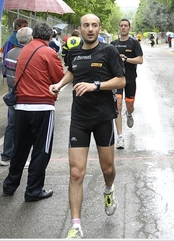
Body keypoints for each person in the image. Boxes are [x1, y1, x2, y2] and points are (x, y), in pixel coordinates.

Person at [49, 14, 125, 239]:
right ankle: (76, 225)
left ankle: (108, 190)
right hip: (80, 119)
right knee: (75, 172)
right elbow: (72, 71)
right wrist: (60, 84)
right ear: (80, 29)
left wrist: (96, 85)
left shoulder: (108, 51)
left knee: (108, 169)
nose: (90, 29)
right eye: (86, 25)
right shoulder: (73, 52)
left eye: (94, 25)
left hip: (103, 118)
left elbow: (121, 81)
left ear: (99, 28)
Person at [2, 23, 64, 202]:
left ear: (33, 36)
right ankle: (33, 190)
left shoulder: (24, 50)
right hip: (42, 106)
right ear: (50, 37)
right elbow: (59, 78)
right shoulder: (48, 52)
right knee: (40, 150)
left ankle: (10, 185)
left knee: (20, 149)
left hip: (21, 106)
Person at [0, 27, 33, 167]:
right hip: (24, 94)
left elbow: (6, 72)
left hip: (11, 92)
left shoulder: (10, 52)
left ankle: (6, 156)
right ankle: (20, 158)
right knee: (23, 128)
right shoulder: (27, 54)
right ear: (30, 39)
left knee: (11, 126)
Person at [110, 19, 144, 149]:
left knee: (129, 105)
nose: (123, 27)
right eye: (121, 25)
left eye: (126, 26)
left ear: (129, 28)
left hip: (130, 79)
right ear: (119, 28)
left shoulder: (134, 43)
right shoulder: (113, 44)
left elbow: (140, 60)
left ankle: (129, 114)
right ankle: (120, 137)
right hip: (117, 79)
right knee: (117, 106)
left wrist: (126, 59)